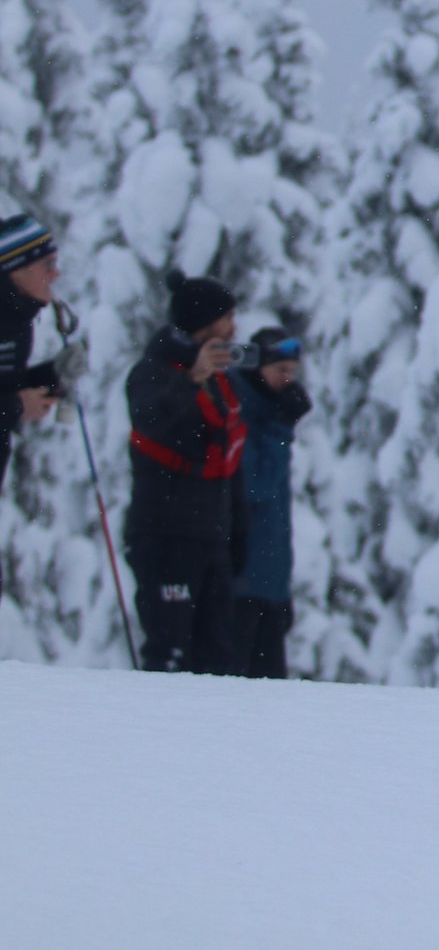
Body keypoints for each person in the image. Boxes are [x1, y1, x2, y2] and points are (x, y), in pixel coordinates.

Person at [124, 270, 248, 674]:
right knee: (169, 655)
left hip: (209, 536)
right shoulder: (153, 371)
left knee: (217, 658)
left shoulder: (219, 378)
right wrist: (192, 380)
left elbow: (227, 457)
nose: (234, 328)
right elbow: (150, 420)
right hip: (163, 537)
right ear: (204, 324)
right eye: (227, 317)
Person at [232, 326, 312, 678]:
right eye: (280, 370)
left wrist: (280, 592)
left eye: (292, 373)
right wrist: (281, 427)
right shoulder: (241, 409)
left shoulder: (265, 410)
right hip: (241, 588)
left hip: (266, 585)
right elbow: (254, 486)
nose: (286, 380)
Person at [0, 214, 67, 499]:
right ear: (16, 271)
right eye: (47, 265)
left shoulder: (17, 317)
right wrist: (15, 406)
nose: (56, 274)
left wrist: (50, 375)